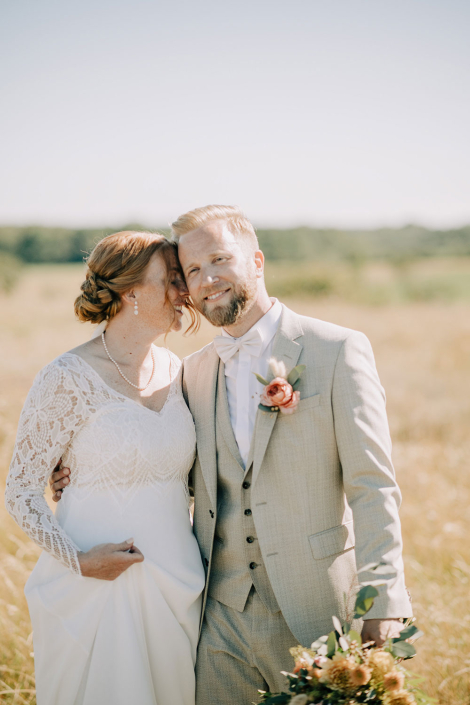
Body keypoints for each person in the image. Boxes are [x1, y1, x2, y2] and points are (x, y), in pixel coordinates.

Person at [51, 205, 413, 705]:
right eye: (192, 271)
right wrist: (79, 470)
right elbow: (160, 457)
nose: (206, 280)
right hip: (216, 618)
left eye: (219, 259)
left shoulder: (337, 350)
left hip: (315, 612)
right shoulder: (191, 373)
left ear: (257, 261)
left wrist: (385, 600)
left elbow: (373, 487)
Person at [5, 231, 205, 705]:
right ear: (130, 290)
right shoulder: (66, 377)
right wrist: (81, 561)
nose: (185, 292)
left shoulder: (181, 373)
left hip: (177, 581)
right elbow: (21, 491)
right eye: (172, 279)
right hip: (96, 588)